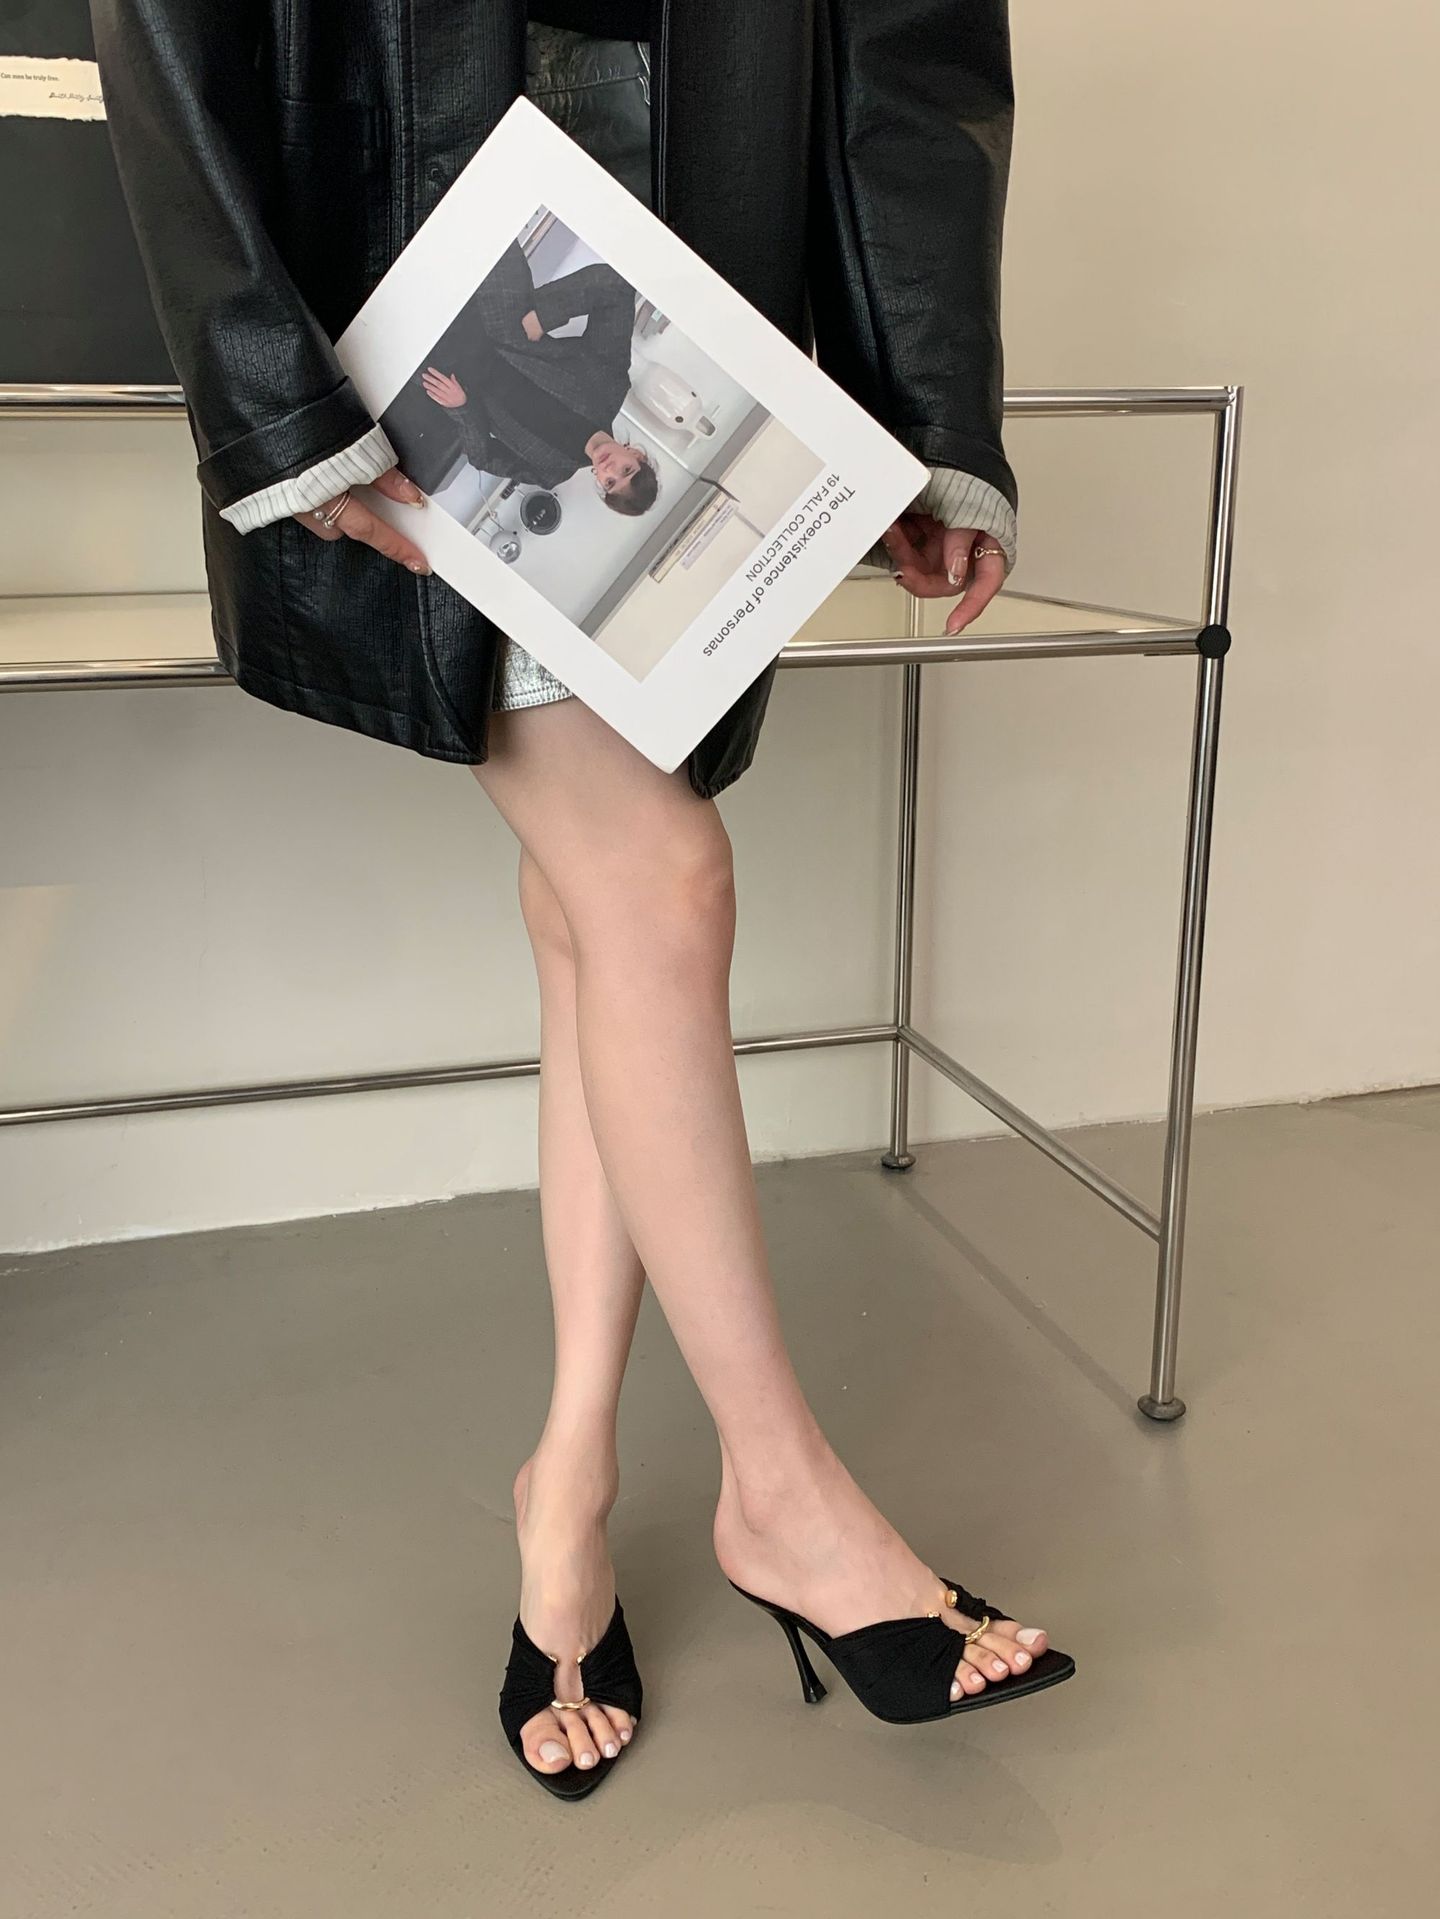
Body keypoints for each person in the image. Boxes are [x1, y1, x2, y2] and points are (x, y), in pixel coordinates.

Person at [90, 1, 1071, 1800]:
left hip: (689, 279)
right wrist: (270, 379)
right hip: (407, 299)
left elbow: (906, 49)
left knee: (594, 926)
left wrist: (923, 416)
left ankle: (571, 1479)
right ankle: (780, 1492)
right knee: (657, 886)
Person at [417, 240, 660, 517]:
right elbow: (615, 288)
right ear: (637, 455)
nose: (610, 468)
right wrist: (544, 316)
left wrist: (462, 408)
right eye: (626, 469)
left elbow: (483, 457)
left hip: (446, 370)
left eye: (610, 483)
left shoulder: (549, 472)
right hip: (494, 305)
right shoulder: (610, 384)